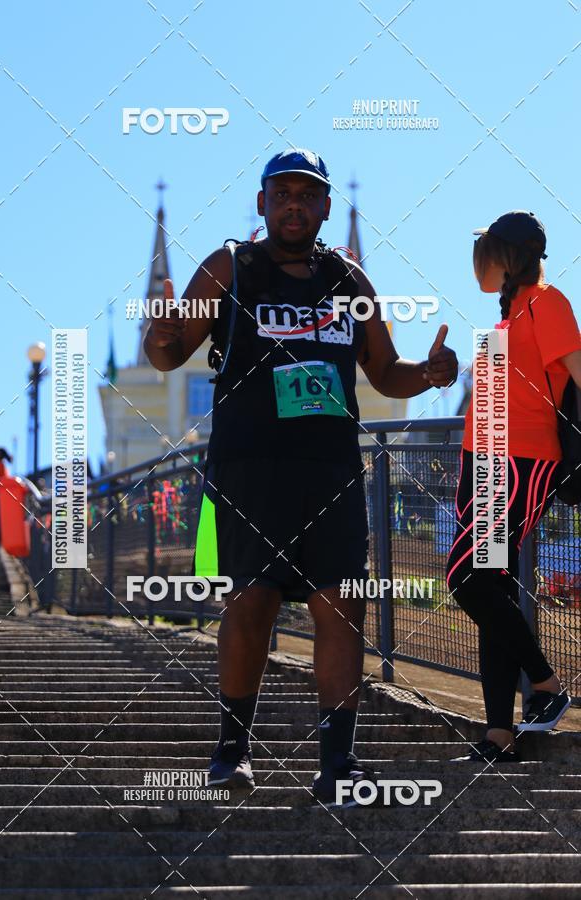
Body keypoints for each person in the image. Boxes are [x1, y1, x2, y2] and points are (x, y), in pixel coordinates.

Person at [144, 148, 458, 806]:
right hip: (248, 466)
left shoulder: (350, 282)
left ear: (323, 208)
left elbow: (385, 372)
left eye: (306, 194)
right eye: (281, 193)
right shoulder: (229, 266)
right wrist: (157, 333)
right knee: (251, 602)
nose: (294, 204)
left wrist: (429, 375)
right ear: (262, 204)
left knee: (342, 605)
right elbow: (169, 356)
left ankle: (338, 763)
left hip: (330, 470)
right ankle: (231, 754)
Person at [447, 210, 581, 763]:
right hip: (483, 461)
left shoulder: (548, 302)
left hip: (521, 460)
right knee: (491, 588)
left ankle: (546, 685)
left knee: (468, 580)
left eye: (491, 250)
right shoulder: (505, 317)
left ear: (515, 255)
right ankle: (498, 732)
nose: (482, 261)